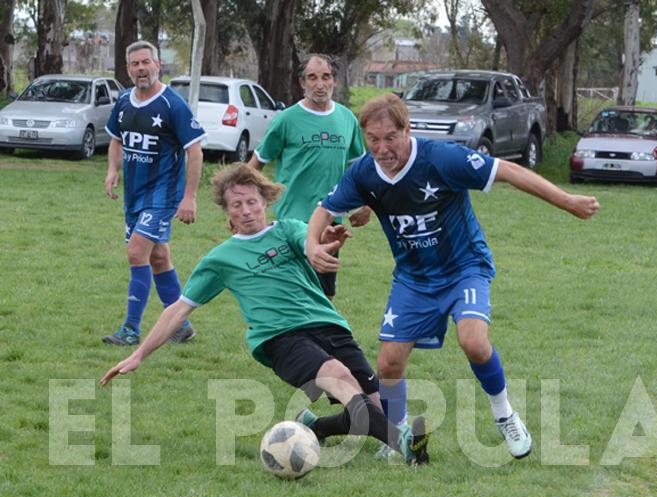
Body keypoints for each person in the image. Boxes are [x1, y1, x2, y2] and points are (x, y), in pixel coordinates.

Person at [306, 94, 600, 459]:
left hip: (464, 268)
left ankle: (505, 415)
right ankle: (398, 434)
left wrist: (566, 200)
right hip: (414, 277)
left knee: (474, 342)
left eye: (390, 138)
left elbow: (507, 171)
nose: (382, 148)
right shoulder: (364, 172)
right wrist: (311, 245)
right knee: (388, 363)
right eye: (372, 139)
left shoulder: (440, 159)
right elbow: (325, 209)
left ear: (407, 129)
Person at [100, 164, 430, 466]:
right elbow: (179, 309)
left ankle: (314, 428)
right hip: (280, 339)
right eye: (237, 205)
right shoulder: (221, 259)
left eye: (252, 202)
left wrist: (325, 242)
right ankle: (405, 446)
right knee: (340, 376)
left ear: (264, 202)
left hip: (329, 326)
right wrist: (139, 354)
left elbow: (309, 242)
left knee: (369, 411)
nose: (247, 211)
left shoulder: (288, 229)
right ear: (227, 213)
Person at [103, 40, 205, 346]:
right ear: (128, 69)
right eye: (135, 64)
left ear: (158, 65)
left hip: (162, 196)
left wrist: (189, 197)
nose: (141, 68)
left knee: (136, 252)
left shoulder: (172, 104)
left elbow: (195, 151)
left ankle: (131, 329)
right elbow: (115, 139)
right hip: (134, 197)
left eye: (146, 62)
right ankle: (181, 325)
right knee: (158, 257)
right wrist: (112, 170)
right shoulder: (123, 102)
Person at [248, 54, 368, 299]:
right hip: (292, 221)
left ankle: (320, 338)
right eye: (312, 78)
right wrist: (240, 204)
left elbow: (360, 168)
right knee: (291, 292)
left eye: (325, 77)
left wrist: (366, 204)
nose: (320, 84)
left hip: (331, 223)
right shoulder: (286, 119)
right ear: (302, 83)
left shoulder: (346, 119)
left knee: (324, 294)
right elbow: (255, 164)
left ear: (334, 81)